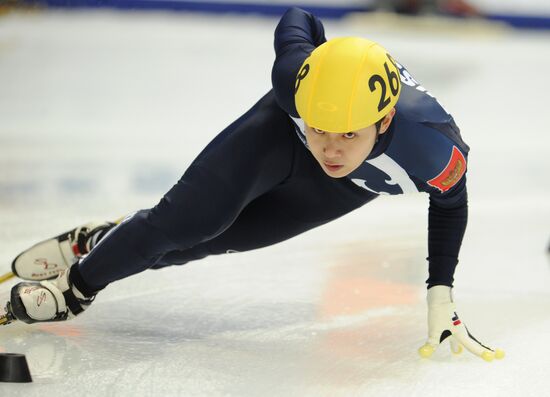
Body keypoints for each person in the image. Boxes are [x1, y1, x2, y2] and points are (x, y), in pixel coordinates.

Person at [3, 7, 503, 361]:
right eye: (321, 128)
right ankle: (76, 288)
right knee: (190, 221)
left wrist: (441, 293)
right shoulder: (295, 79)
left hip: (346, 188)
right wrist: (324, 71)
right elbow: (299, 17)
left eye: (349, 133)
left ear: (385, 119)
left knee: (213, 242)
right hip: (275, 136)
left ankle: (103, 241)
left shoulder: (435, 149)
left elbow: (451, 206)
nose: (330, 147)